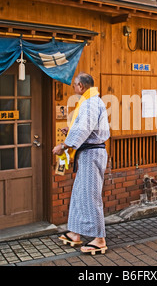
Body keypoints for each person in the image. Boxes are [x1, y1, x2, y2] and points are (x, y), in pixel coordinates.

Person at [52, 72, 110, 255]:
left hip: (92, 154)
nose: (74, 89)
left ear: (81, 86)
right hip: (88, 153)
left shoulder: (90, 103)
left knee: (90, 196)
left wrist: (63, 145)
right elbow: (85, 127)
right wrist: (70, 131)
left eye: (75, 86)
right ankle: (76, 233)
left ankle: (99, 239)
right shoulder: (92, 101)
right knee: (79, 194)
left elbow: (84, 128)